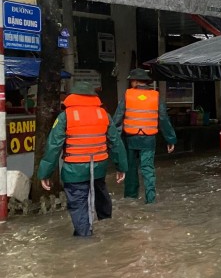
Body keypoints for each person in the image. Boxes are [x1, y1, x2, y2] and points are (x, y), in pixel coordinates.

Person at [38, 82, 128, 237]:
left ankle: (85, 239)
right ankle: (108, 229)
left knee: (78, 204)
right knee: (100, 192)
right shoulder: (103, 114)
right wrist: (122, 167)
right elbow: (116, 143)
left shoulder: (65, 116)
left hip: (75, 170)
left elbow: (53, 146)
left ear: (72, 97)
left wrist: (44, 174)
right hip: (99, 168)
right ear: (93, 97)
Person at [112, 68, 176, 204]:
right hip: (148, 139)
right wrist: (170, 139)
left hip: (131, 139)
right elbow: (164, 119)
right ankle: (151, 200)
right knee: (148, 169)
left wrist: (113, 140)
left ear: (135, 81)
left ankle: (130, 199)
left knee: (130, 170)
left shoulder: (127, 95)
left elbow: (117, 119)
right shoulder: (156, 96)